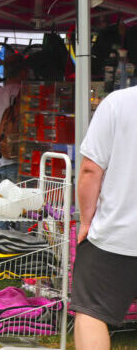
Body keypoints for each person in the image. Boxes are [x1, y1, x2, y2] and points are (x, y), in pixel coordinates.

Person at [72, 86, 137, 350]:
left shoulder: (118, 103)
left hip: (115, 234)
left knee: (92, 312)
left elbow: (90, 169)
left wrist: (86, 221)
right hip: (116, 237)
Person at [0, 53, 29, 184]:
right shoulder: (27, 94)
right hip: (23, 166)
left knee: (2, 204)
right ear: (23, 72)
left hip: (0, 164)